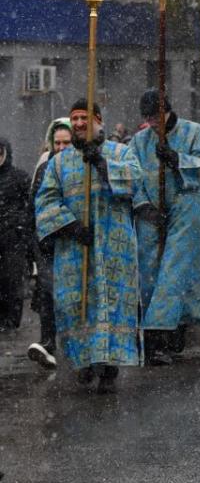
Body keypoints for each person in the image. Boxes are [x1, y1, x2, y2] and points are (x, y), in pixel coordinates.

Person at [35, 100, 149, 392]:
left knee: (110, 306)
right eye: (74, 119)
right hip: (75, 248)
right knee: (76, 306)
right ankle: (84, 362)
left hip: (114, 248)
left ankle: (108, 366)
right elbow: (46, 200)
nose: (79, 124)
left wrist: (101, 164)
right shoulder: (58, 162)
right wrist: (71, 226)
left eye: (84, 118)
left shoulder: (121, 152)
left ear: (98, 120)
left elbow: (136, 181)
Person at [129, 90, 200, 364]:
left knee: (175, 273)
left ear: (166, 110)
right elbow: (132, 175)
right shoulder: (139, 141)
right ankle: (161, 331)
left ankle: (159, 336)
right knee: (151, 274)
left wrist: (177, 159)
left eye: (156, 115)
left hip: (186, 209)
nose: (153, 121)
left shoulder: (193, 132)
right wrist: (145, 206)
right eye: (147, 117)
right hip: (151, 216)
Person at [26, 119, 72, 369]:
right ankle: (47, 343)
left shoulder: (80, 165)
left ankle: (76, 347)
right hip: (47, 240)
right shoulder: (45, 166)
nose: (62, 147)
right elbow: (34, 203)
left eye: (67, 142)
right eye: (58, 143)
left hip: (73, 238)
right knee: (47, 290)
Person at [0, 137, 35, 333]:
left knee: (12, 279)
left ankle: (10, 321)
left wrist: (21, 224)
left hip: (13, 238)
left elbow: (31, 204)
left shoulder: (19, 177)